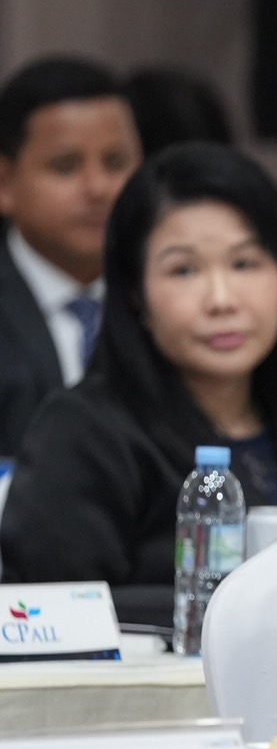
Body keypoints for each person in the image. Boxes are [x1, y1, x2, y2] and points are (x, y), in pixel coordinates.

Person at [1, 143, 277, 587]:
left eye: (244, 263)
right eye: (184, 270)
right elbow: (52, 607)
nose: (221, 299)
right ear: (136, 294)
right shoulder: (84, 434)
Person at [0, 56, 142, 456]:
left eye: (116, 163)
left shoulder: (167, 296)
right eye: (66, 166)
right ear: (5, 183)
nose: (98, 188)